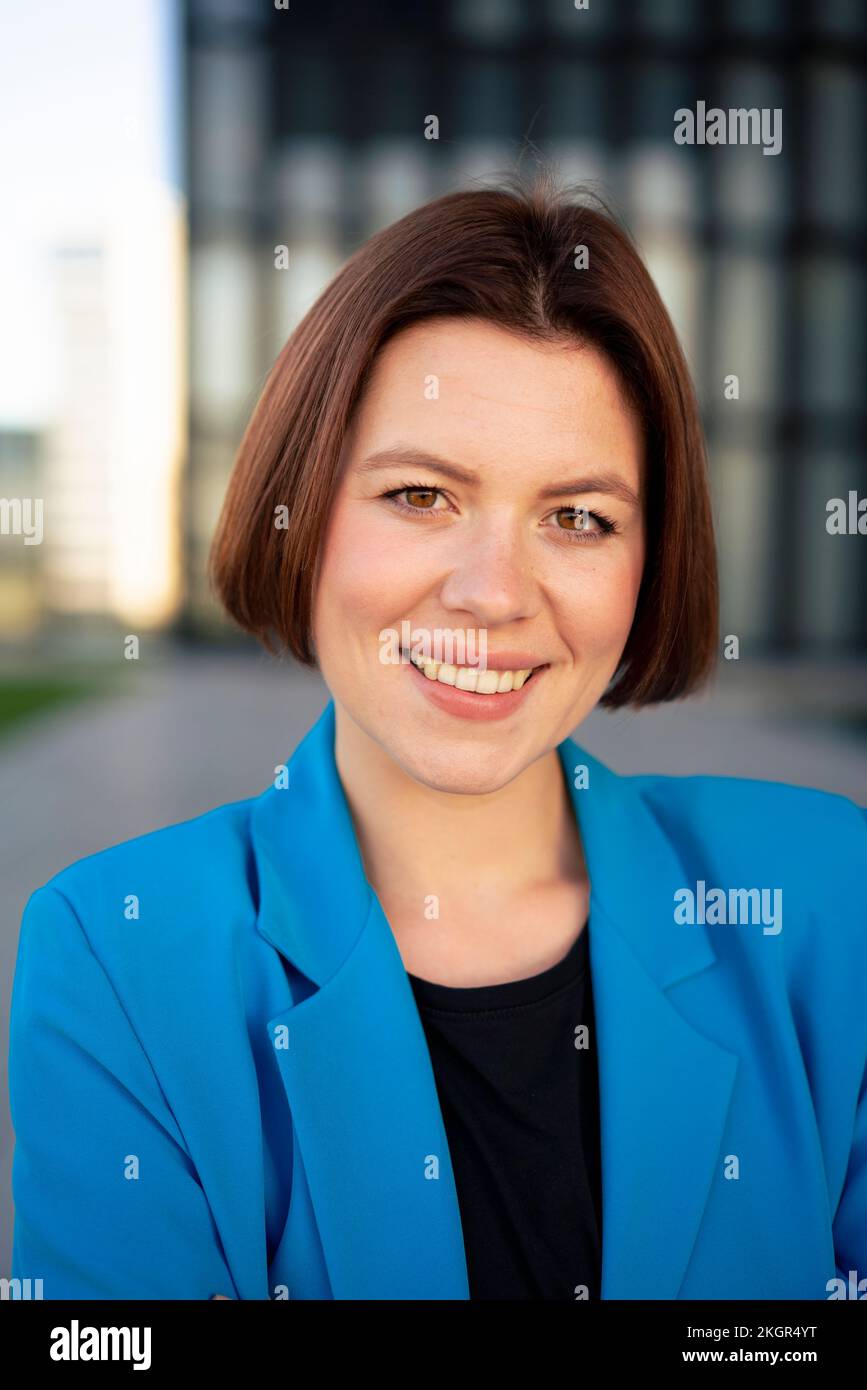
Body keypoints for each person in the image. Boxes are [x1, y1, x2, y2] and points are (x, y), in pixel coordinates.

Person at [8, 174, 867, 1300]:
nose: (494, 593)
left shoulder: (828, 894)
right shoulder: (113, 953)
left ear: (650, 560)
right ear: (303, 507)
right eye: (421, 495)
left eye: (578, 517)